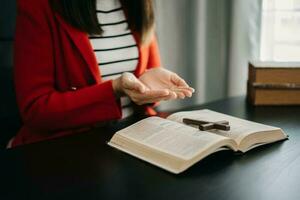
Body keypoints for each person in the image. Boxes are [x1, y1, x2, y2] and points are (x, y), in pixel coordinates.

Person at [10, 0, 194, 147]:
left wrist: (148, 87)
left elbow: (148, 81)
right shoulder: (37, 5)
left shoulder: (138, 4)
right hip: (69, 147)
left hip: (135, 135)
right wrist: (114, 89)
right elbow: (36, 109)